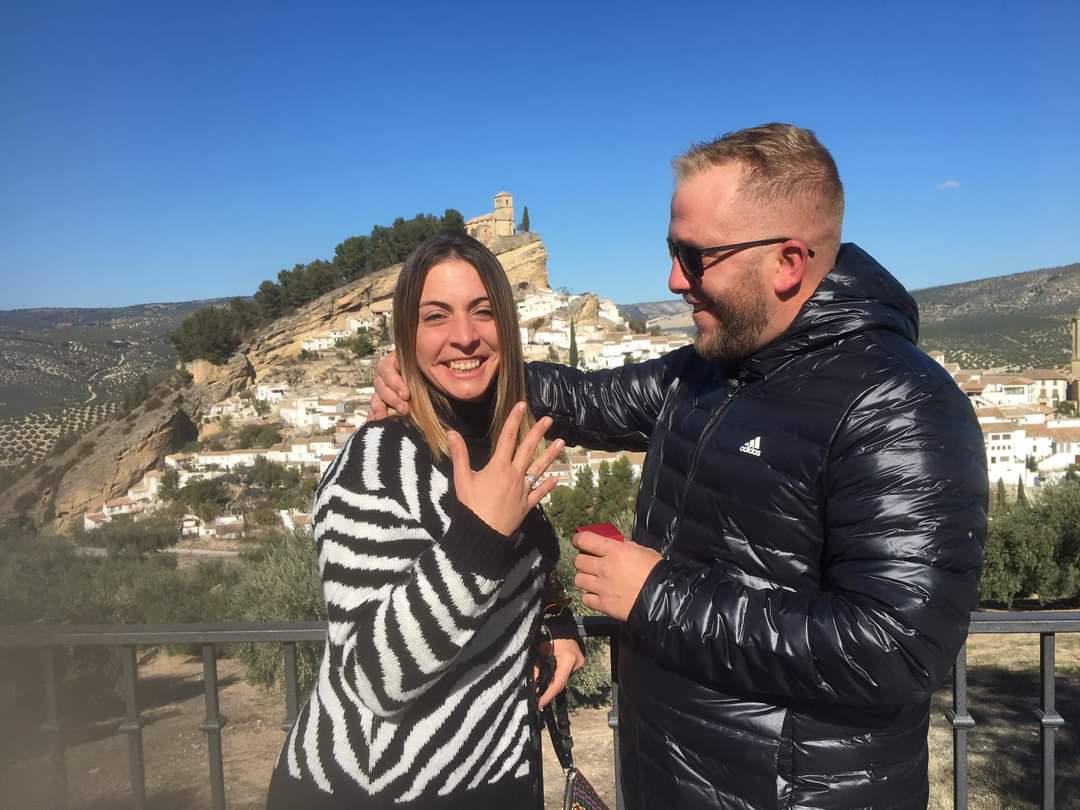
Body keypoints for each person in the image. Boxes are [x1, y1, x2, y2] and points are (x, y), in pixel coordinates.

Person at [370, 124, 988, 809]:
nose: (672, 279)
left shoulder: (898, 402)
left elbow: (896, 650)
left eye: (695, 257)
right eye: (673, 251)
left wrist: (656, 595)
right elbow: (584, 400)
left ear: (786, 263)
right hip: (672, 774)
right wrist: (450, 369)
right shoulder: (708, 371)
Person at [267, 232, 585, 810]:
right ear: (405, 339)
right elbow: (373, 679)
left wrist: (555, 621)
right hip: (381, 788)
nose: (464, 335)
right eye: (435, 317)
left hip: (491, 773)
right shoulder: (379, 460)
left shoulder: (496, 442)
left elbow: (516, 560)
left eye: (482, 312)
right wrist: (478, 538)